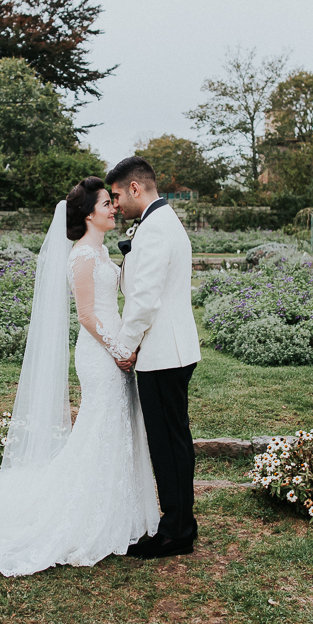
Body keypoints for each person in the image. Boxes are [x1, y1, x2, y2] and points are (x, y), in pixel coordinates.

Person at [0, 177, 159, 576]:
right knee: (101, 425)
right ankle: (85, 513)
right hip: (100, 354)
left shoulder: (100, 252)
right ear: (88, 214)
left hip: (116, 346)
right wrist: (120, 351)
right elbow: (86, 315)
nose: (113, 208)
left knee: (118, 426)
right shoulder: (82, 256)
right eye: (106, 203)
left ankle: (121, 508)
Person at [106, 156, 202, 560]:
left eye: (116, 196)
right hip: (170, 349)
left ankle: (176, 531)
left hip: (164, 353)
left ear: (134, 188)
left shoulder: (157, 228)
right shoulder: (160, 223)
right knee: (172, 439)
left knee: (168, 443)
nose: (114, 206)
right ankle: (180, 522)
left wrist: (125, 347)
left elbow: (144, 300)